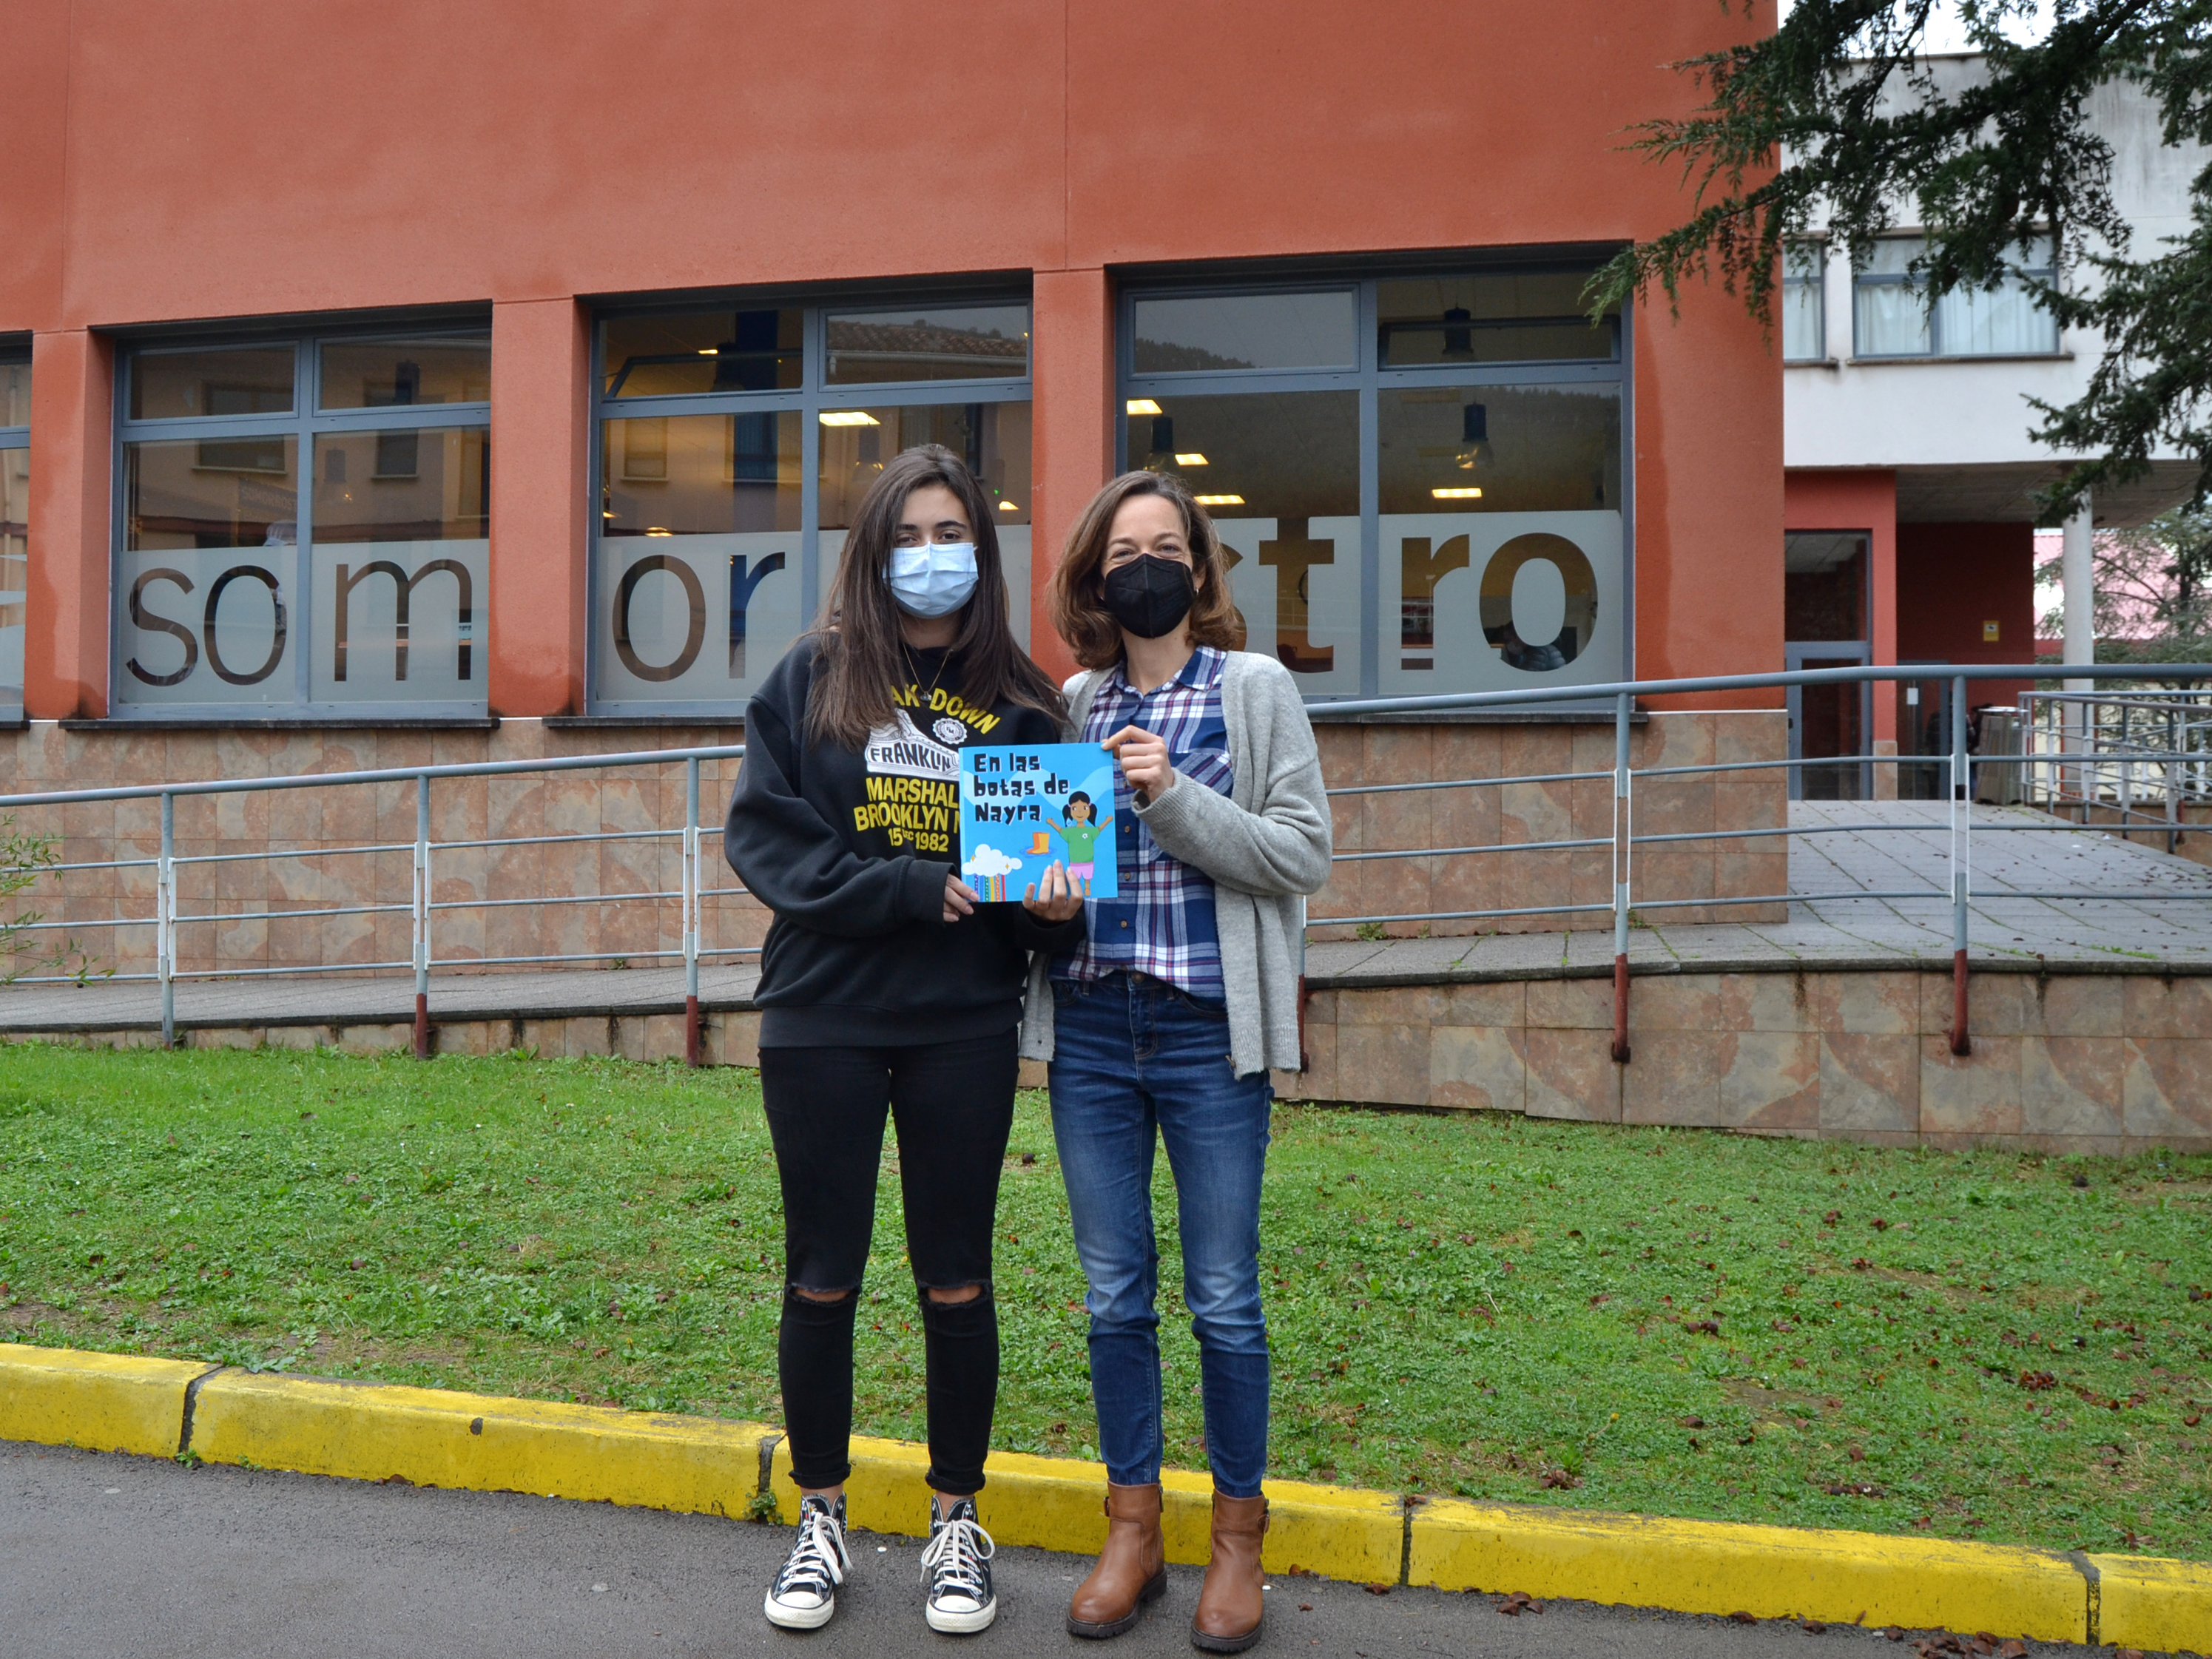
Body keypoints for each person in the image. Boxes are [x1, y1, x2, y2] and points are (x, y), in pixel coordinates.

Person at [724, 444, 1083, 1636]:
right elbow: (767, 842)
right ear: (873, 552)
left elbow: (1051, 891)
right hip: (821, 1014)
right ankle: (819, 1512)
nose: (932, 556)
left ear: (981, 544)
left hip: (961, 1026)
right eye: (908, 535)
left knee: (955, 1275)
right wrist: (905, 887)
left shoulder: (1026, 702)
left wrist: (1055, 905)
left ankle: (953, 1521)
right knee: (820, 1273)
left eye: (951, 532)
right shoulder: (809, 679)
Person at [1028, 470, 1332, 1652]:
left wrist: (1171, 795)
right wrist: (1044, 908)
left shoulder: (1253, 690)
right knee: (1113, 1294)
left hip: (1211, 1033)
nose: (1143, 565)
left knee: (1223, 1297)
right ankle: (1133, 1528)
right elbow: (1051, 880)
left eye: (1165, 545)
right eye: (1121, 551)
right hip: (1094, 1028)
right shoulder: (1073, 701)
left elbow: (1300, 854)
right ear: (1097, 578)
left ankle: (1238, 1539)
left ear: (1199, 571)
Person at [1048, 790, 1111, 893]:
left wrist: (1107, 821)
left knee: (1088, 877)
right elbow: (1060, 831)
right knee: (1075, 878)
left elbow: (1099, 829)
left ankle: (1087, 889)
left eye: (1084, 808)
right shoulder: (1070, 831)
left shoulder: (1090, 830)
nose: (1080, 812)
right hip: (1075, 861)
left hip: (1088, 861)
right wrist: (1052, 823)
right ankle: (1076, 890)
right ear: (1070, 811)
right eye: (1075, 808)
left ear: (1090, 809)